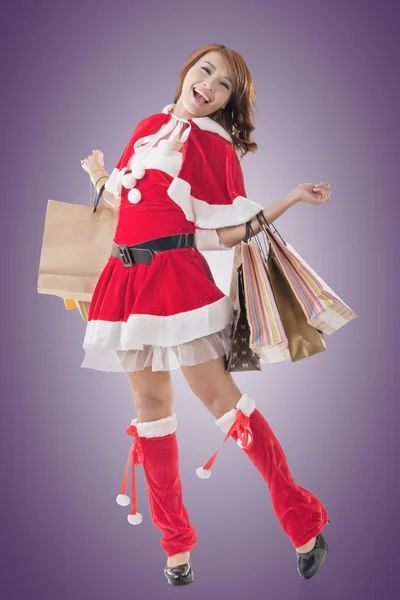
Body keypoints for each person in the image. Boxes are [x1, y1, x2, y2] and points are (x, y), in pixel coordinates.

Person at [80, 43, 332, 586]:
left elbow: (219, 233)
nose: (210, 85)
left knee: (223, 401)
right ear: (187, 71)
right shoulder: (148, 125)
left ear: (226, 103)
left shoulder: (215, 147)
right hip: (123, 284)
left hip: (176, 282)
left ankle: (302, 520)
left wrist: (285, 200)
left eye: (224, 86)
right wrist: (100, 176)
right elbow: (127, 200)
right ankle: (176, 547)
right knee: (150, 410)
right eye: (207, 71)